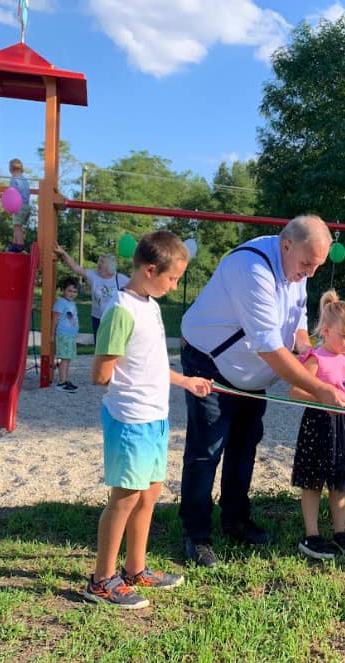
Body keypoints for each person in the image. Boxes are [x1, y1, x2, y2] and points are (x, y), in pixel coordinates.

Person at [178, 215, 345, 568]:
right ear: (286, 245)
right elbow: (270, 348)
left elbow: (297, 322)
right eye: (307, 264)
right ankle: (196, 534)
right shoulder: (251, 268)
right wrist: (319, 389)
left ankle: (236, 521)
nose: (311, 273)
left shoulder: (297, 266)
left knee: (244, 445)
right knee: (207, 448)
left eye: (317, 266)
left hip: (251, 375)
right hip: (210, 362)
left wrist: (308, 352)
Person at [82, 230, 213, 609]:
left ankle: (135, 569)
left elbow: (152, 363)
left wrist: (185, 380)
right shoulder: (120, 310)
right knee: (125, 497)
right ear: (151, 270)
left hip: (156, 417)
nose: (173, 286)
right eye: (172, 279)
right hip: (129, 418)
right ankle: (101, 581)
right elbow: (100, 374)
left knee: (151, 492)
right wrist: (131, 379)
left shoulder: (150, 305)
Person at [288, 290, 345, 560]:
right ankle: (311, 534)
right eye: (344, 335)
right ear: (326, 331)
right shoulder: (316, 358)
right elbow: (295, 391)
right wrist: (321, 397)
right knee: (313, 482)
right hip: (320, 425)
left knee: (340, 482)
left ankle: (340, 530)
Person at [54, 245, 130, 343]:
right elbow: (75, 268)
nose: (98, 263)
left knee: (115, 345)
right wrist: (63, 253)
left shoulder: (120, 278)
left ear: (109, 265)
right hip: (98, 318)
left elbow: (136, 290)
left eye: (102, 262)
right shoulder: (94, 275)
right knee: (99, 347)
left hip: (114, 319)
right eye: (99, 261)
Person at [52, 277, 81, 392]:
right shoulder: (60, 303)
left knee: (68, 359)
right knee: (64, 358)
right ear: (63, 290)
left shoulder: (71, 303)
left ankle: (65, 379)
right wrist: (51, 335)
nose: (72, 294)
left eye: (74, 291)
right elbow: (55, 319)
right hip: (63, 335)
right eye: (69, 291)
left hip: (70, 336)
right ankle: (61, 382)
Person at [6, 158, 32, 253]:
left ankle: (20, 244)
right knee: (17, 226)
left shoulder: (13, 180)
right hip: (27, 206)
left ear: (10, 170)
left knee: (17, 227)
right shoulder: (25, 179)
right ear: (21, 169)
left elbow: (12, 193)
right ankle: (15, 243)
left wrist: (0, 196)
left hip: (19, 206)